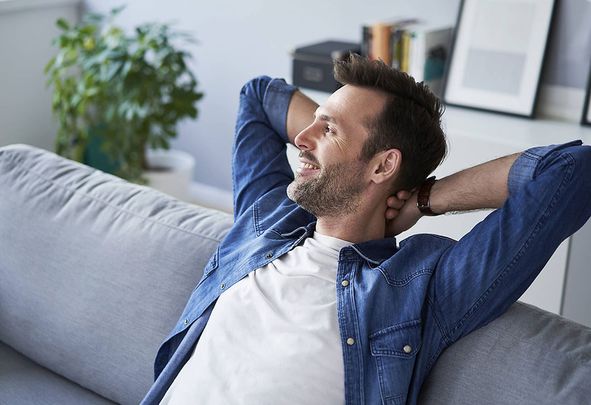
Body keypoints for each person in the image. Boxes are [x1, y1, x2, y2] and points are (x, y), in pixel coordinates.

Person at [141, 54, 591, 405]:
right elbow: (259, 97)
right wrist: (333, 134)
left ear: (382, 165)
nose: (302, 138)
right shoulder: (267, 220)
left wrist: (427, 198)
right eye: (314, 120)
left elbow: (574, 170)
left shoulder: (420, 286)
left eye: (328, 128)